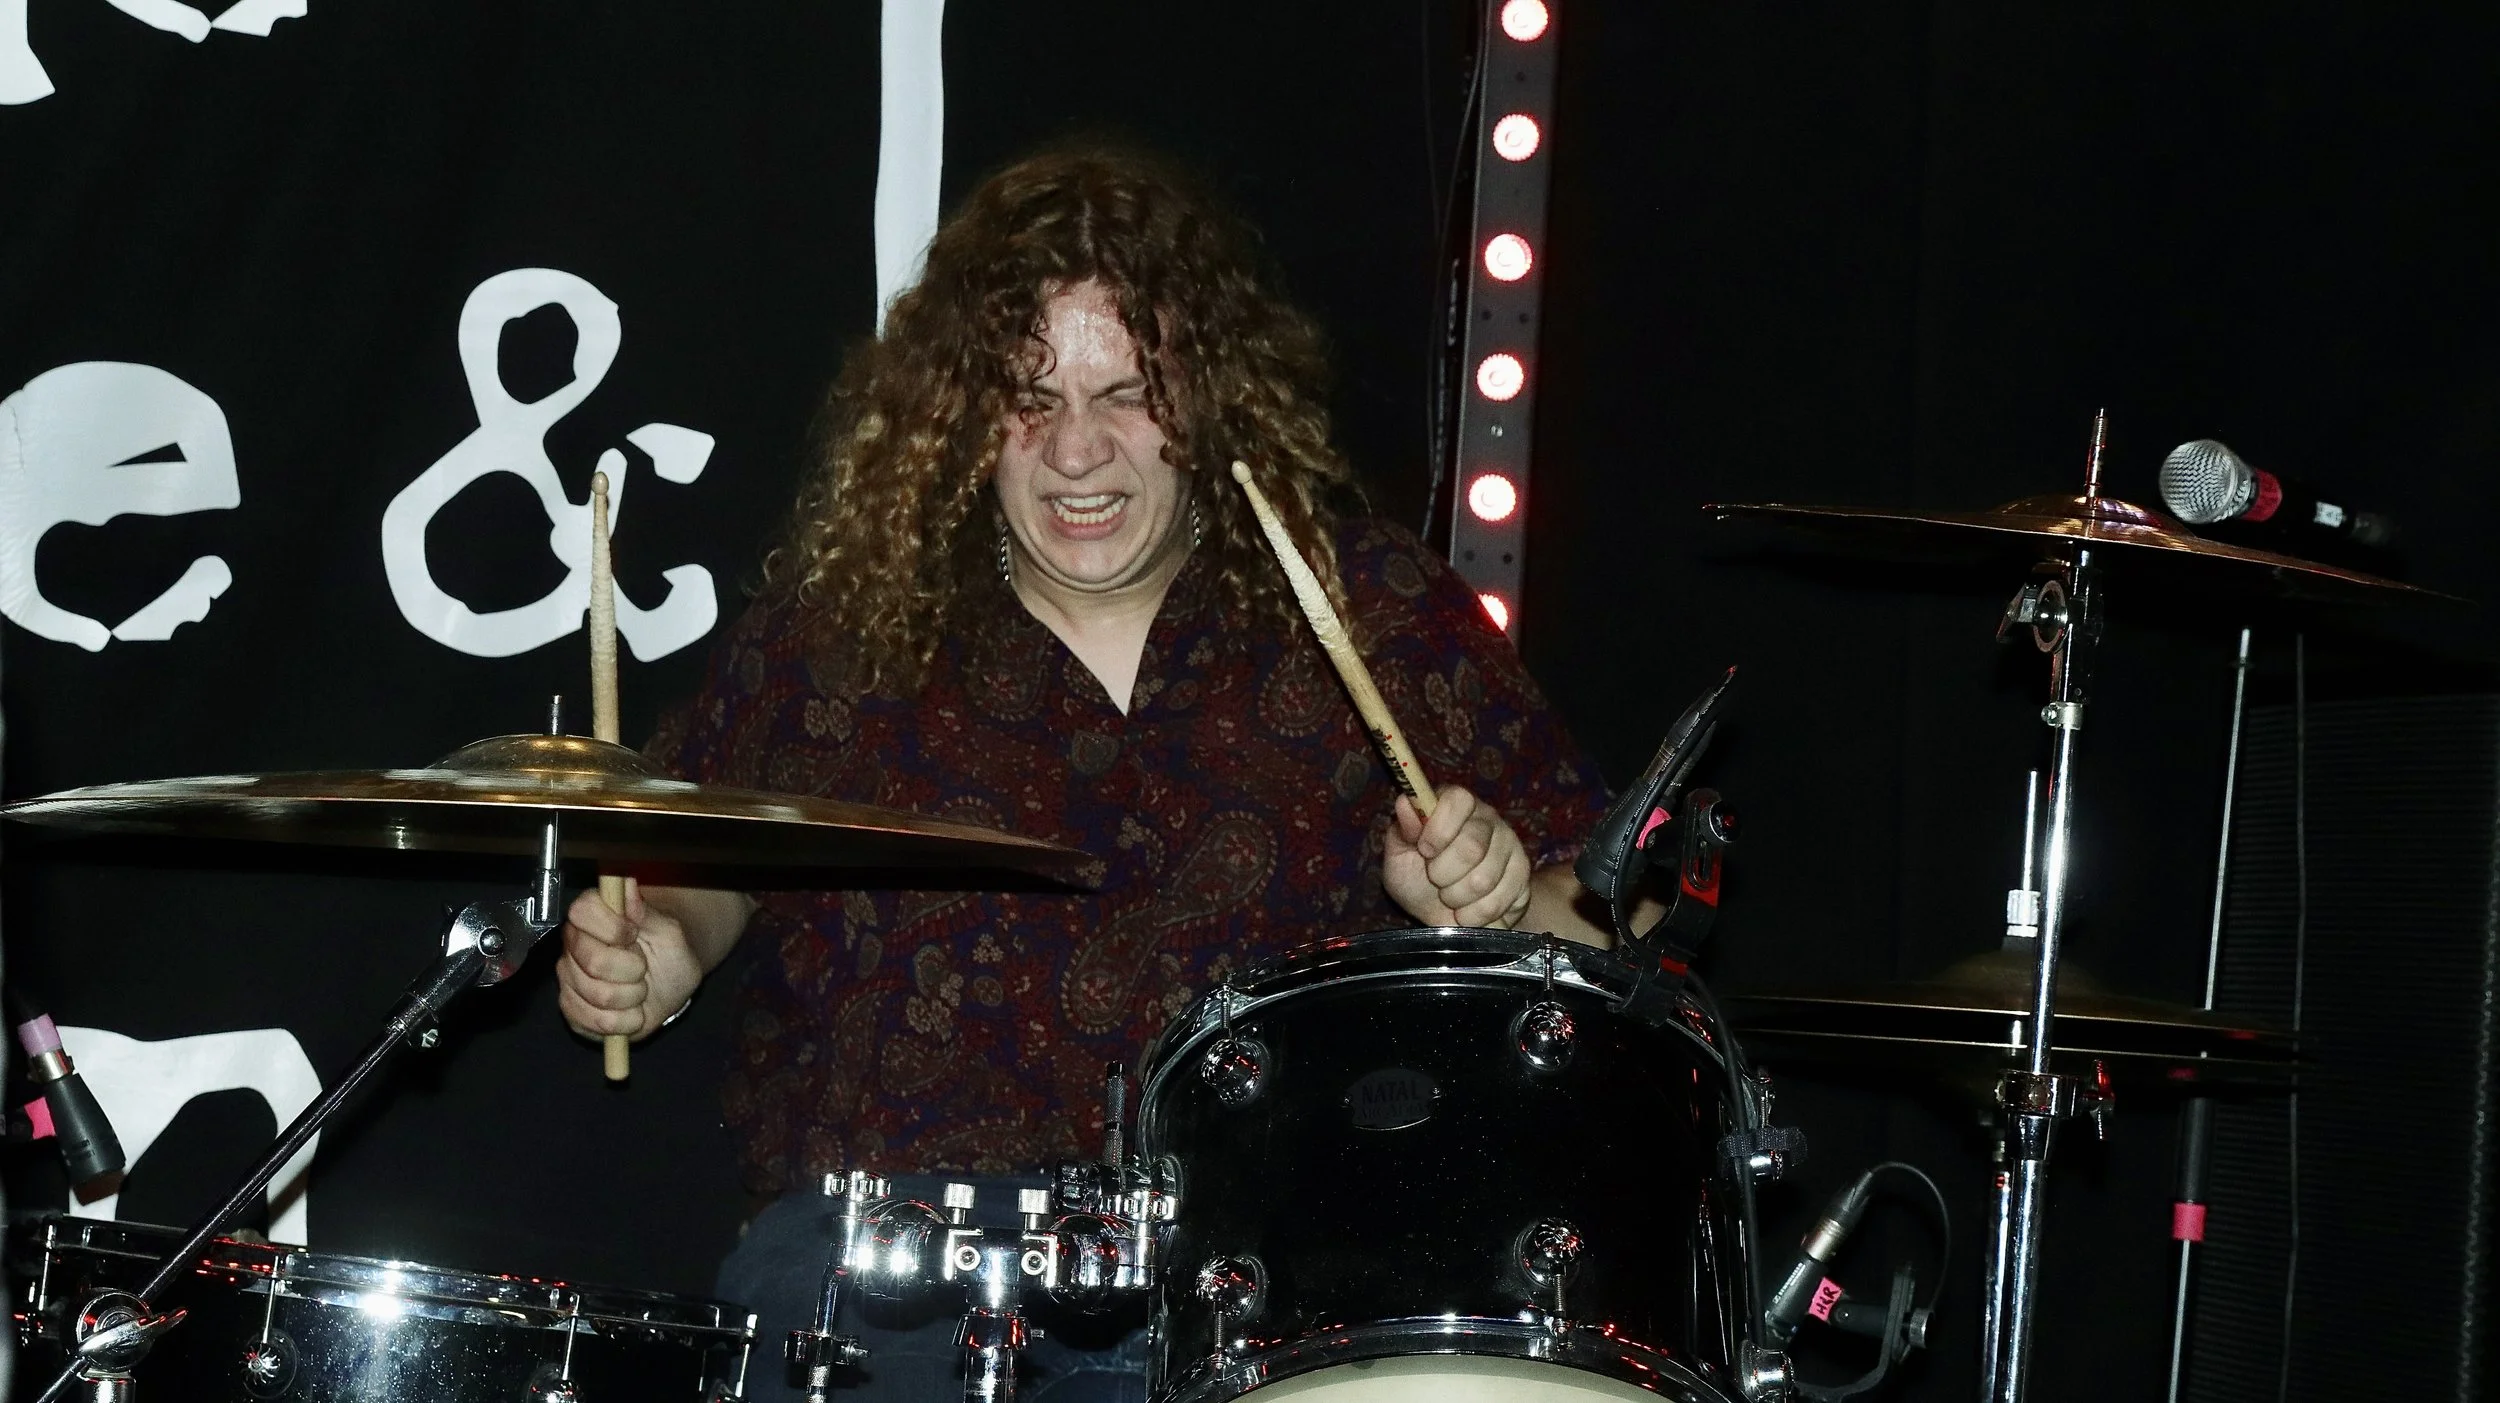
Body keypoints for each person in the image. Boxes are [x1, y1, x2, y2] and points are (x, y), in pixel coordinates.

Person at [555, 145, 1622, 1401]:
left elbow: (1608, 915)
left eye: (1126, 393)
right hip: (890, 1273)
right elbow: (709, 848)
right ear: (961, 409)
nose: (1076, 449)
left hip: (1266, 1274)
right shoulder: (848, 623)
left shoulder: (1364, 606)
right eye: (1029, 395)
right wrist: (664, 946)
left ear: (1208, 397)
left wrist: (1498, 904)